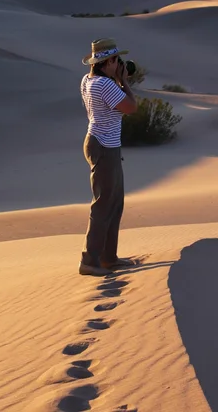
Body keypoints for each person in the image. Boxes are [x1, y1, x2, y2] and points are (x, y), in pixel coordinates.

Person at [79, 37, 138, 276]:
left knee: (114, 203)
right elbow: (131, 107)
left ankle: (108, 258)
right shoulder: (105, 85)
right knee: (104, 205)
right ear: (107, 62)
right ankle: (89, 261)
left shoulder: (87, 80)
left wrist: (118, 80)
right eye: (116, 61)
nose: (119, 64)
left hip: (101, 143)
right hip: (104, 146)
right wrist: (124, 81)